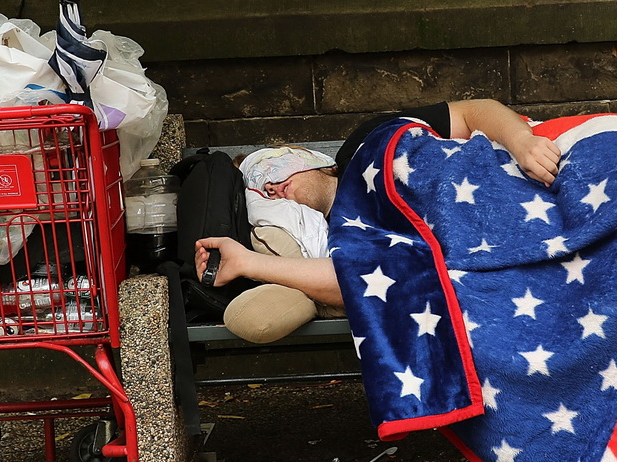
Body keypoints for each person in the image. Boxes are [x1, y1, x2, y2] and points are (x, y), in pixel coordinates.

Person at [194, 98, 561, 309]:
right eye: (259, 189)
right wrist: (247, 262)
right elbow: (353, 280)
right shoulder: (344, 234)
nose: (270, 187)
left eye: (269, 167)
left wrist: (520, 141)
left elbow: (473, 110)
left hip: (533, 182)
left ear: (310, 159)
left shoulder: (364, 141)